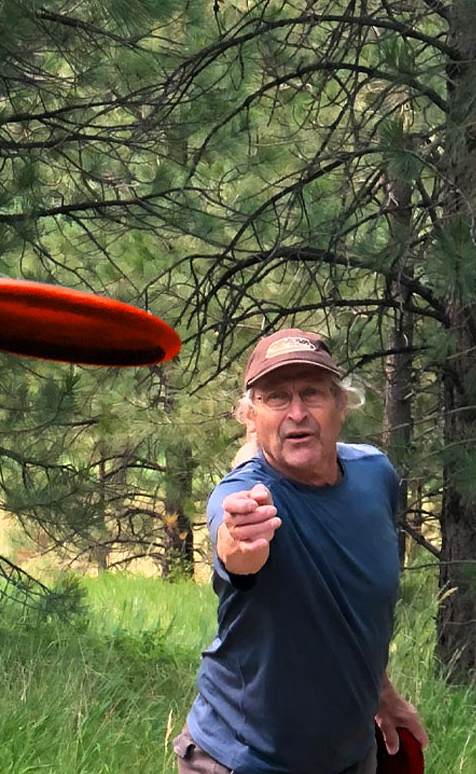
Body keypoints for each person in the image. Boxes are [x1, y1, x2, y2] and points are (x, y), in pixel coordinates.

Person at [175, 328, 427, 774]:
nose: (297, 413)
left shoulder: (375, 475)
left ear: (341, 405)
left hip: (351, 759)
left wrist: (380, 692)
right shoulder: (244, 495)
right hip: (241, 760)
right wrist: (239, 539)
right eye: (276, 397)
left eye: (312, 393)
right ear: (251, 416)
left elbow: (357, 606)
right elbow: (234, 548)